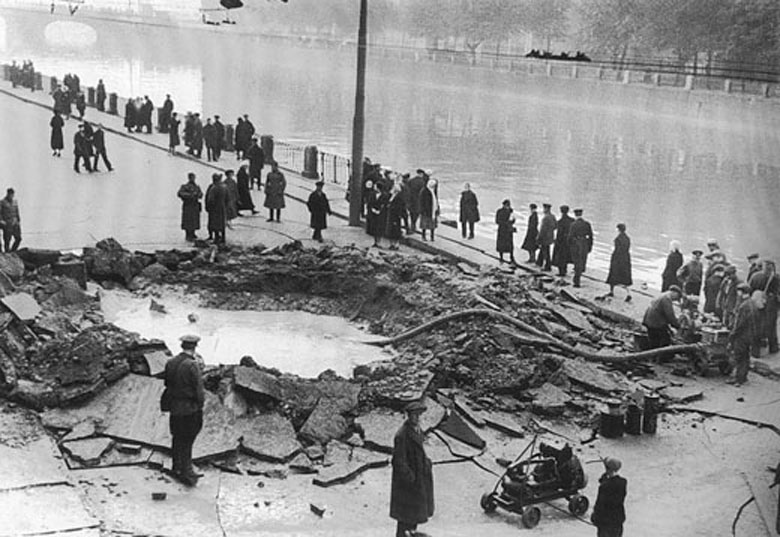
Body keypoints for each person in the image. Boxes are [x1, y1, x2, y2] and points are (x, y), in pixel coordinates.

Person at [163, 335, 205, 487]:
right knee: (188, 438)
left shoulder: (170, 362)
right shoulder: (193, 365)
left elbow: (167, 383)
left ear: (182, 346)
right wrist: (200, 405)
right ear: (194, 348)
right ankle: (188, 471)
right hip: (189, 408)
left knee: (177, 437)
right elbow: (199, 390)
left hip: (175, 407)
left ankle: (176, 467)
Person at [390, 400, 434, 537]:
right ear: (408, 416)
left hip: (417, 480)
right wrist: (411, 478)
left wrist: (427, 463)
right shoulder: (402, 435)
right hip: (407, 486)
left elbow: (419, 452)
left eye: (419, 415)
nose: (418, 418)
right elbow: (398, 461)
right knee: (405, 519)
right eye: (415, 415)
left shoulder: (417, 431)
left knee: (413, 517)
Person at [726, 284, 760, 386]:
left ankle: (737, 379)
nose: (737, 293)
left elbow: (739, 323)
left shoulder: (743, 306)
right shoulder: (752, 303)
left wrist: (732, 334)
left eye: (738, 291)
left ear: (742, 292)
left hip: (741, 336)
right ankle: (743, 377)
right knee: (745, 357)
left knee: (739, 357)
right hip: (750, 335)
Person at [590, 457, 627, 537]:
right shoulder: (623, 482)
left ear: (607, 469)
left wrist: (594, 517)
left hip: (605, 522)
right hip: (618, 519)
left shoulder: (604, 486)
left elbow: (600, 505)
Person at [749, 260, 779, 354]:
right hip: (771, 306)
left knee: (756, 326)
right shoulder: (776, 278)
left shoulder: (755, 276)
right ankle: (773, 348)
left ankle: (756, 350)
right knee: (771, 327)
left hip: (757, 303)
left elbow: (750, 289)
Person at [642, 285, 682, 349]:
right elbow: (670, 315)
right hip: (656, 323)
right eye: (677, 297)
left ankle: (653, 356)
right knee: (665, 340)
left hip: (649, 320)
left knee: (654, 341)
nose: (675, 300)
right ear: (675, 293)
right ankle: (662, 357)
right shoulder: (666, 299)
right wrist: (677, 325)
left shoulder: (661, 295)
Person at [606, 223, 632, 302]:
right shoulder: (627, 238)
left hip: (617, 259)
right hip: (626, 258)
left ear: (618, 229)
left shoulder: (618, 239)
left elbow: (617, 249)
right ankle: (628, 293)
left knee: (613, 274)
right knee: (624, 277)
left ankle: (611, 291)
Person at [568, 208, 593, 288]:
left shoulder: (573, 224)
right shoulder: (587, 224)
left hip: (576, 244)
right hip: (584, 243)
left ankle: (576, 280)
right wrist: (590, 246)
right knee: (582, 260)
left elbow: (570, 236)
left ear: (575, 214)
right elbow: (591, 236)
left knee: (577, 261)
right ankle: (578, 276)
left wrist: (570, 245)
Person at [177, 173, 203, 242]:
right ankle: (188, 234)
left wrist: (197, 195)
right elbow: (180, 193)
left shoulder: (197, 187)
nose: (193, 179)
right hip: (188, 205)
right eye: (191, 177)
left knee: (194, 220)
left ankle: (193, 233)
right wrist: (190, 195)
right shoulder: (185, 186)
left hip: (195, 205)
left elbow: (201, 194)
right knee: (188, 221)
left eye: (194, 177)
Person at [204, 173, 227, 244]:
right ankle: (223, 238)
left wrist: (209, 207)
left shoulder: (213, 188)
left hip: (214, 208)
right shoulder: (224, 187)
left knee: (214, 223)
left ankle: (216, 238)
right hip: (222, 207)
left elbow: (210, 199)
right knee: (222, 223)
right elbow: (228, 198)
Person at [494, 199, 517, 264]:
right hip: (502, 229)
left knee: (510, 244)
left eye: (508, 205)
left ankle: (511, 257)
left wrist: (513, 221)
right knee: (501, 244)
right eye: (507, 205)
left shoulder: (511, 212)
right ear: (503, 205)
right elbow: (497, 221)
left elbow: (513, 220)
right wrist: (506, 223)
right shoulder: (499, 211)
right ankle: (501, 257)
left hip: (508, 230)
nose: (508, 206)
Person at [553, 205, 573, 276]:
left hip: (561, 242)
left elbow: (559, 233)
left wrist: (556, 241)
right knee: (566, 256)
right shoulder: (572, 220)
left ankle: (561, 272)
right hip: (569, 242)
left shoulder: (560, 222)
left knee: (560, 257)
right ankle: (565, 269)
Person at [536, 203, 557, 271]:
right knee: (544, 249)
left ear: (546, 209)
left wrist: (538, 237)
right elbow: (556, 226)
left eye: (544, 209)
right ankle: (539, 262)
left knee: (546, 251)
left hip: (544, 237)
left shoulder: (545, 218)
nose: (543, 210)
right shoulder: (553, 216)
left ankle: (547, 266)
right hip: (550, 236)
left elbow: (542, 229)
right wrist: (550, 231)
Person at [386, 184, 405, 251]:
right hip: (390, 215)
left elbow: (399, 207)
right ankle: (392, 244)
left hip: (395, 216)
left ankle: (396, 244)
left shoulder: (399, 197)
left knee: (396, 231)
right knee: (391, 230)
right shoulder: (391, 196)